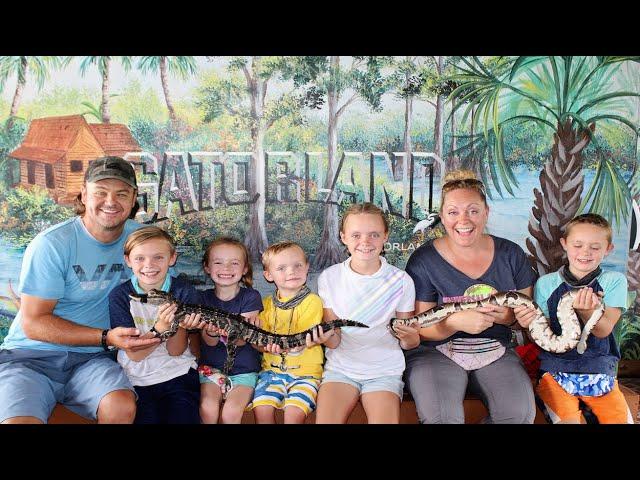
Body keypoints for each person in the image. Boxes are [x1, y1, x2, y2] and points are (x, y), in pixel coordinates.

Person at [0, 156, 159, 424]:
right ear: (84, 194)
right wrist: (107, 336)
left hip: (93, 360)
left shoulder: (144, 242)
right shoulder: (52, 244)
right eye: (100, 192)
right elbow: (34, 324)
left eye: (121, 193)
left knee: (121, 406)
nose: (111, 201)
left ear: (134, 199)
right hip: (31, 356)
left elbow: (168, 296)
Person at [404, 169, 538, 424]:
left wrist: (508, 317)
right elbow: (420, 327)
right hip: (436, 352)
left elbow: (524, 318)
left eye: (473, 210)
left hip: (495, 349)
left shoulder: (511, 255)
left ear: (486, 212)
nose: (463, 220)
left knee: (518, 416)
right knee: (443, 419)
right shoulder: (424, 260)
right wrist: (453, 322)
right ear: (442, 216)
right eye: (453, 212)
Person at [514, 213, 632, 423]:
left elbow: (603, 329)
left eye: (595, 247)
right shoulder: (547, 284)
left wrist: (587, 311)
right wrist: (527, 325)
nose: (585, 252)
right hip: (555, 371)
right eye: (578, 245)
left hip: (600, 371)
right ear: (564, 244)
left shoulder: (614, 281)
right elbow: (545, 337)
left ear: (608, 249)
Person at [315, 203, 418, 424]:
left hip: (385, 371)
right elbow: (334, 342)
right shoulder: (329, 278)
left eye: (374, 234)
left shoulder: (401, 281)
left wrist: (409, 336)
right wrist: (324, 337)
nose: (365, 242)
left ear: (385, 237)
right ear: (343, 237)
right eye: (356, 235)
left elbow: (409, 343)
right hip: (340, 370)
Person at [109, 226, 203, 424]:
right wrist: (161, 327)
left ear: (172, 258)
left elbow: (176, 351)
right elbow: (135, 354)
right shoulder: (120, 296)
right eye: (140, 258)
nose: (149, 265)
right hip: (135, 379)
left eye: (158, 257)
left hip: (178, 373)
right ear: (128, 260)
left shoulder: (184, 291)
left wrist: (181, 325)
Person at [251, 241, 328, 424]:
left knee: (293, 413)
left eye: (298, 265)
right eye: (281, 268)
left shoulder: (313, 302)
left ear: (307, 267)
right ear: (268, 275)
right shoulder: (266, 305)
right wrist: (263, 345)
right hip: (271, 373)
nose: (291, 272)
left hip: (306, 374)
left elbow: (301, 338)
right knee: (261, 408)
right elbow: (258, 343)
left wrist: (274, 344)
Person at [197, 237, 263, 424]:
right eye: (218, 262)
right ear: (207, 267)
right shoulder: (202, 299)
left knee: (231, 413)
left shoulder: (250, 297)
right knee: (207, 407)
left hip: (244, 371)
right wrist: (212, 332)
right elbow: (209, 341)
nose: (226, 269)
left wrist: (226, 331)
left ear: (244, 269)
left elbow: (243, 339)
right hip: (210, 369)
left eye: (234, 263)